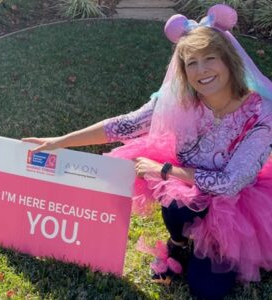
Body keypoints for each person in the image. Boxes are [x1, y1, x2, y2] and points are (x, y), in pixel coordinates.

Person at [23, 4, 272, 300]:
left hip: (235, 204)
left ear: (229, 61)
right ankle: (178, 242)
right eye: (191, 63)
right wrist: (59, 141)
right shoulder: (180, 99)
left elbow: (230, 182)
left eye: (210, 59)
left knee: (206, 290)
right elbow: (124, 126)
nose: (201, 71)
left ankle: (209, 244)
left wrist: (162, 169)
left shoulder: (260, 113)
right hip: (189, 192)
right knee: (179, 200)